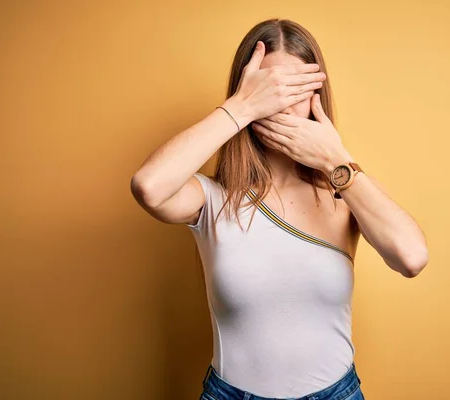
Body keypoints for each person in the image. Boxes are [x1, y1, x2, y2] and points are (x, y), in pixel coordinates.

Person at [131, 18, 428, 400]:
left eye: (297, 89)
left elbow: (412, 257)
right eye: (270, 89)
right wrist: (240, 108)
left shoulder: (345, 190)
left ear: (318, 95)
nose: (283, 104)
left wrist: (334, 158)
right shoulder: (212, 199)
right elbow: (149, 186)